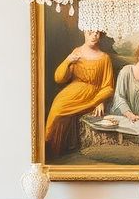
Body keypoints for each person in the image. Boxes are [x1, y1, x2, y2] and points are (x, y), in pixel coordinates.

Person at [44, 30, 115, 160]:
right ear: (84, 33)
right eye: (90, 32)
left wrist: (99, 101)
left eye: (97, 33)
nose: (94, 36)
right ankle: (50, 148)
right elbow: (59, 79)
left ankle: (56, 150)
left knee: (59, 110)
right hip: (72, 92)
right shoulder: (76, 52)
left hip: (91, 96)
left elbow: (108, 87)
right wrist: (67, 61)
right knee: (57, 107)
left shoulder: (104, 58)